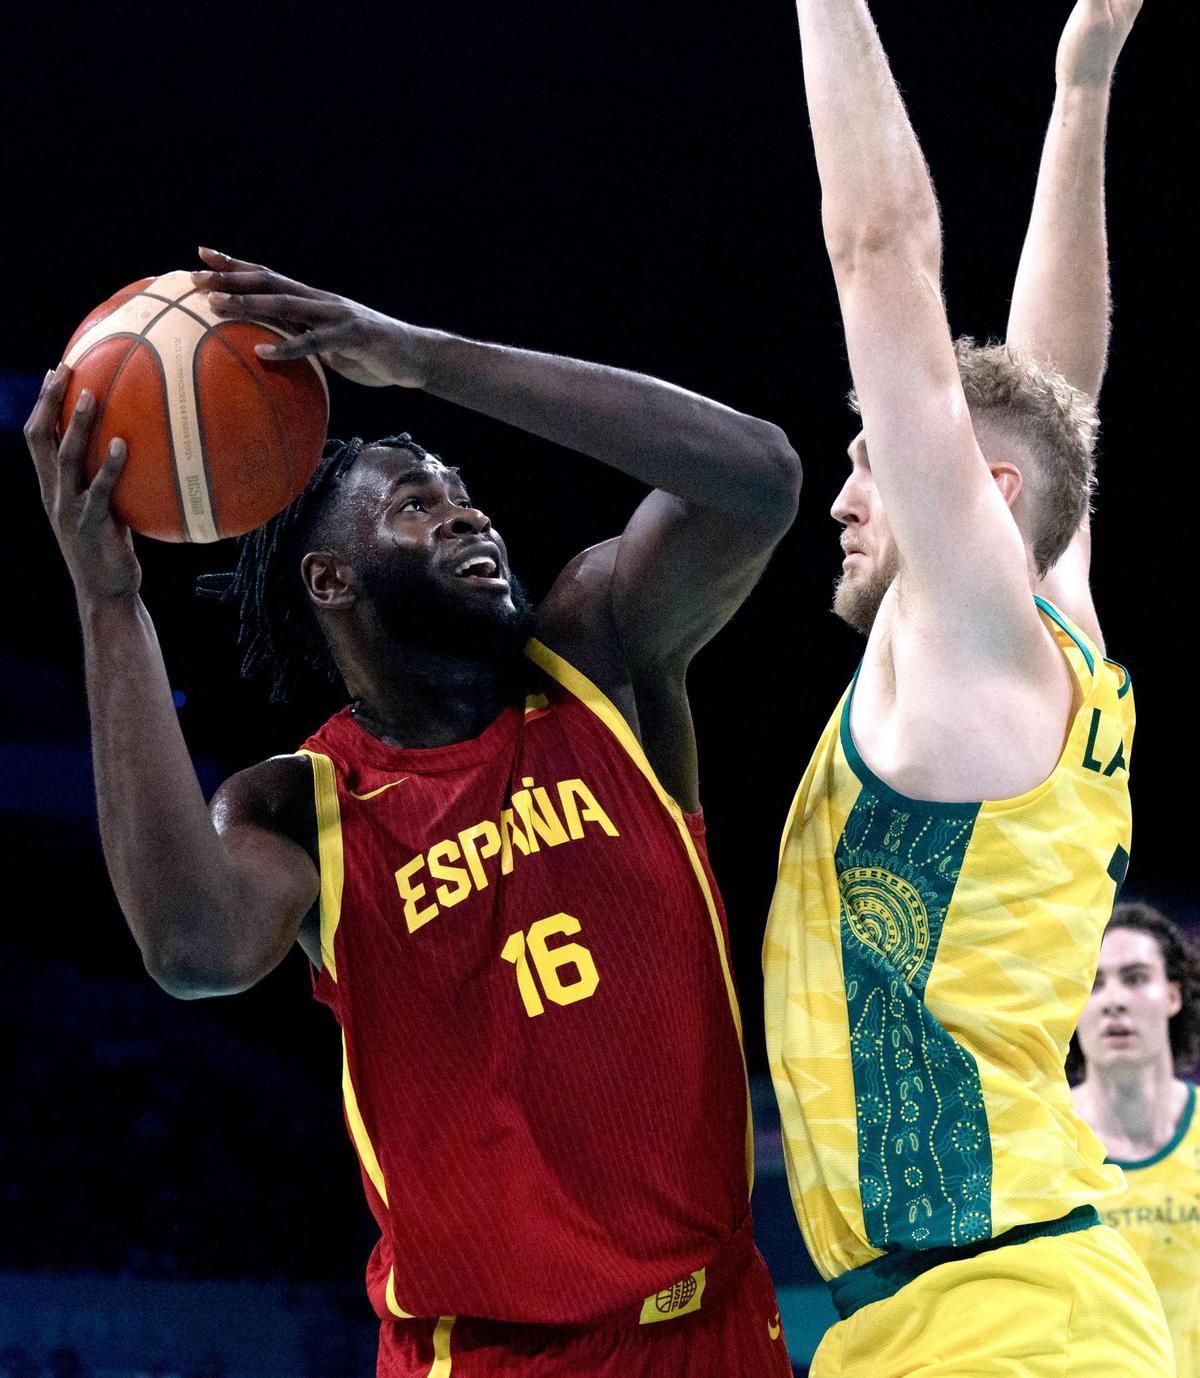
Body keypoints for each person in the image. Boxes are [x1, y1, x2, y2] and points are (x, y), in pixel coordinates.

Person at [24, 250, 801, 1377]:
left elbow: (760, 477)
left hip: (717, 1327)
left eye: (463, 493)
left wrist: (424, 361)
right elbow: (193, 949)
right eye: (414, 504)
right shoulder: (304, 801)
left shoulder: (598, 650)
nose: (466, 514)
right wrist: (110, 601)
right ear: (331, 582)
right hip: (486, 1358)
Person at [763, 0, 1172, 1374]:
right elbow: (1064, 390)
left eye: (871, 455)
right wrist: (1080, 84)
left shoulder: (975, 647)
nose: (844, 495)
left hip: (1005, 1322)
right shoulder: (1055, 637)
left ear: (981, 504)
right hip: (968, 1309)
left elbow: (879, 251)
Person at [1073, 901, 1200, 1376]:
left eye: (1135, 977)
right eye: (1094, 983)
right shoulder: (1043, 1141)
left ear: (1173, 995)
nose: (1113, 1000)